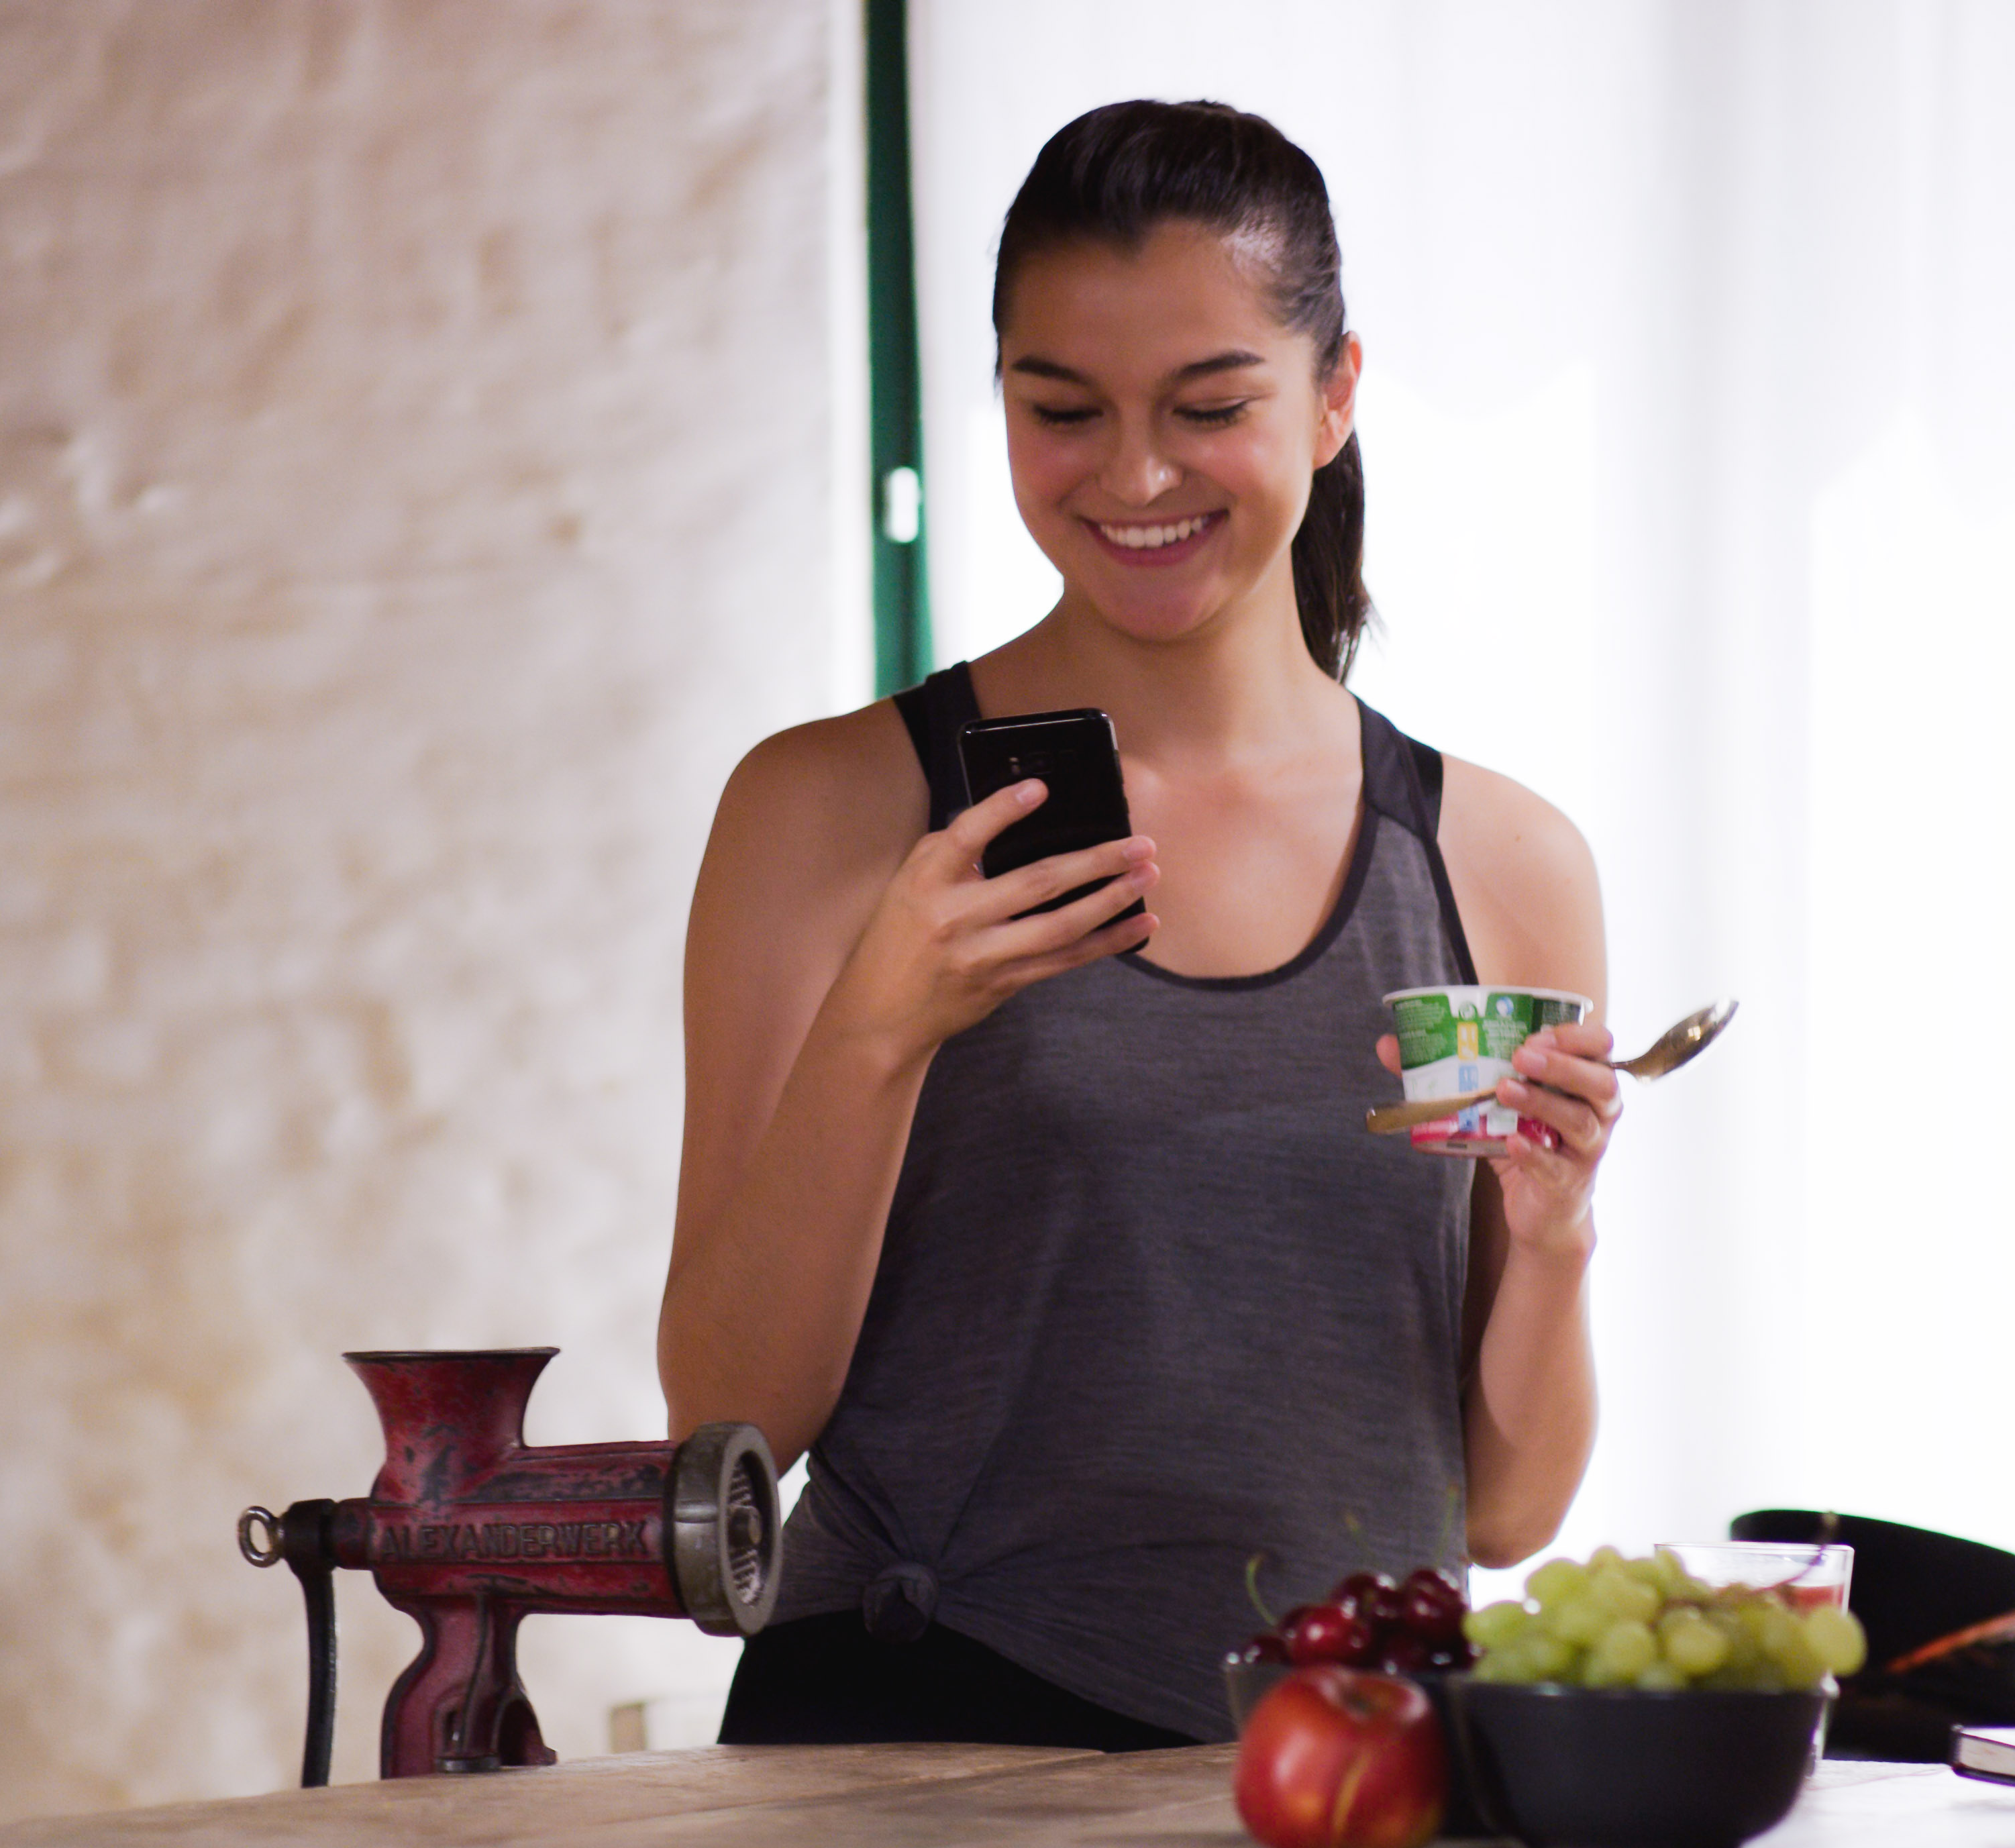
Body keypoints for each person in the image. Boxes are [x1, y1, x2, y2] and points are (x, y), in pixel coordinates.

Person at [661, 100, 1619, 1750]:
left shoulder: (1502, 861)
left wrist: (1552, 1242)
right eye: (1063, 409)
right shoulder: (829, 812)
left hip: (1344, 1781)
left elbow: (1503, 1513)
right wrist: (882, 1026)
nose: (1135, 475)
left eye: (1210, 405)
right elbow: (728, 1415)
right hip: (907, 1766)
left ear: (1335, 399)